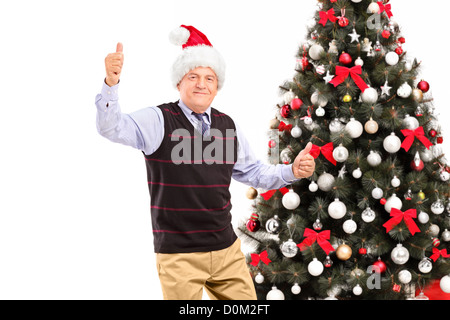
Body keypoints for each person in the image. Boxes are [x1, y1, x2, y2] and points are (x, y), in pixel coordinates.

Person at [95, 25, 315, 300]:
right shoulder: (159, 120)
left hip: (226, 252)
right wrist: (111, 84)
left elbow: (254, 172)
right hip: (178, 256)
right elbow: (111, 127)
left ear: (217, 85)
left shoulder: (227, 126)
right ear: (179, 82)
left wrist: (292, 170)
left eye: (209, 78)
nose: (202, 84)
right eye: (193, 76)